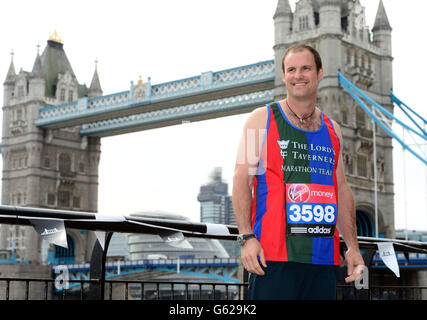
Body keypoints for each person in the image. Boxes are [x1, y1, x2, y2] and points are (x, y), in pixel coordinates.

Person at [232, 44, 365, 300]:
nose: (298, 75)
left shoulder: (333, 129)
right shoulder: (260, 119)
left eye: (306, 68)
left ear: (319, 73)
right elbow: (240, 179)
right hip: (272, 257)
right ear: (283, 76)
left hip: (323, 259)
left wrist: (353, 248)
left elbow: (342, 189)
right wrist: (246, 237)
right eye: (291, 69)